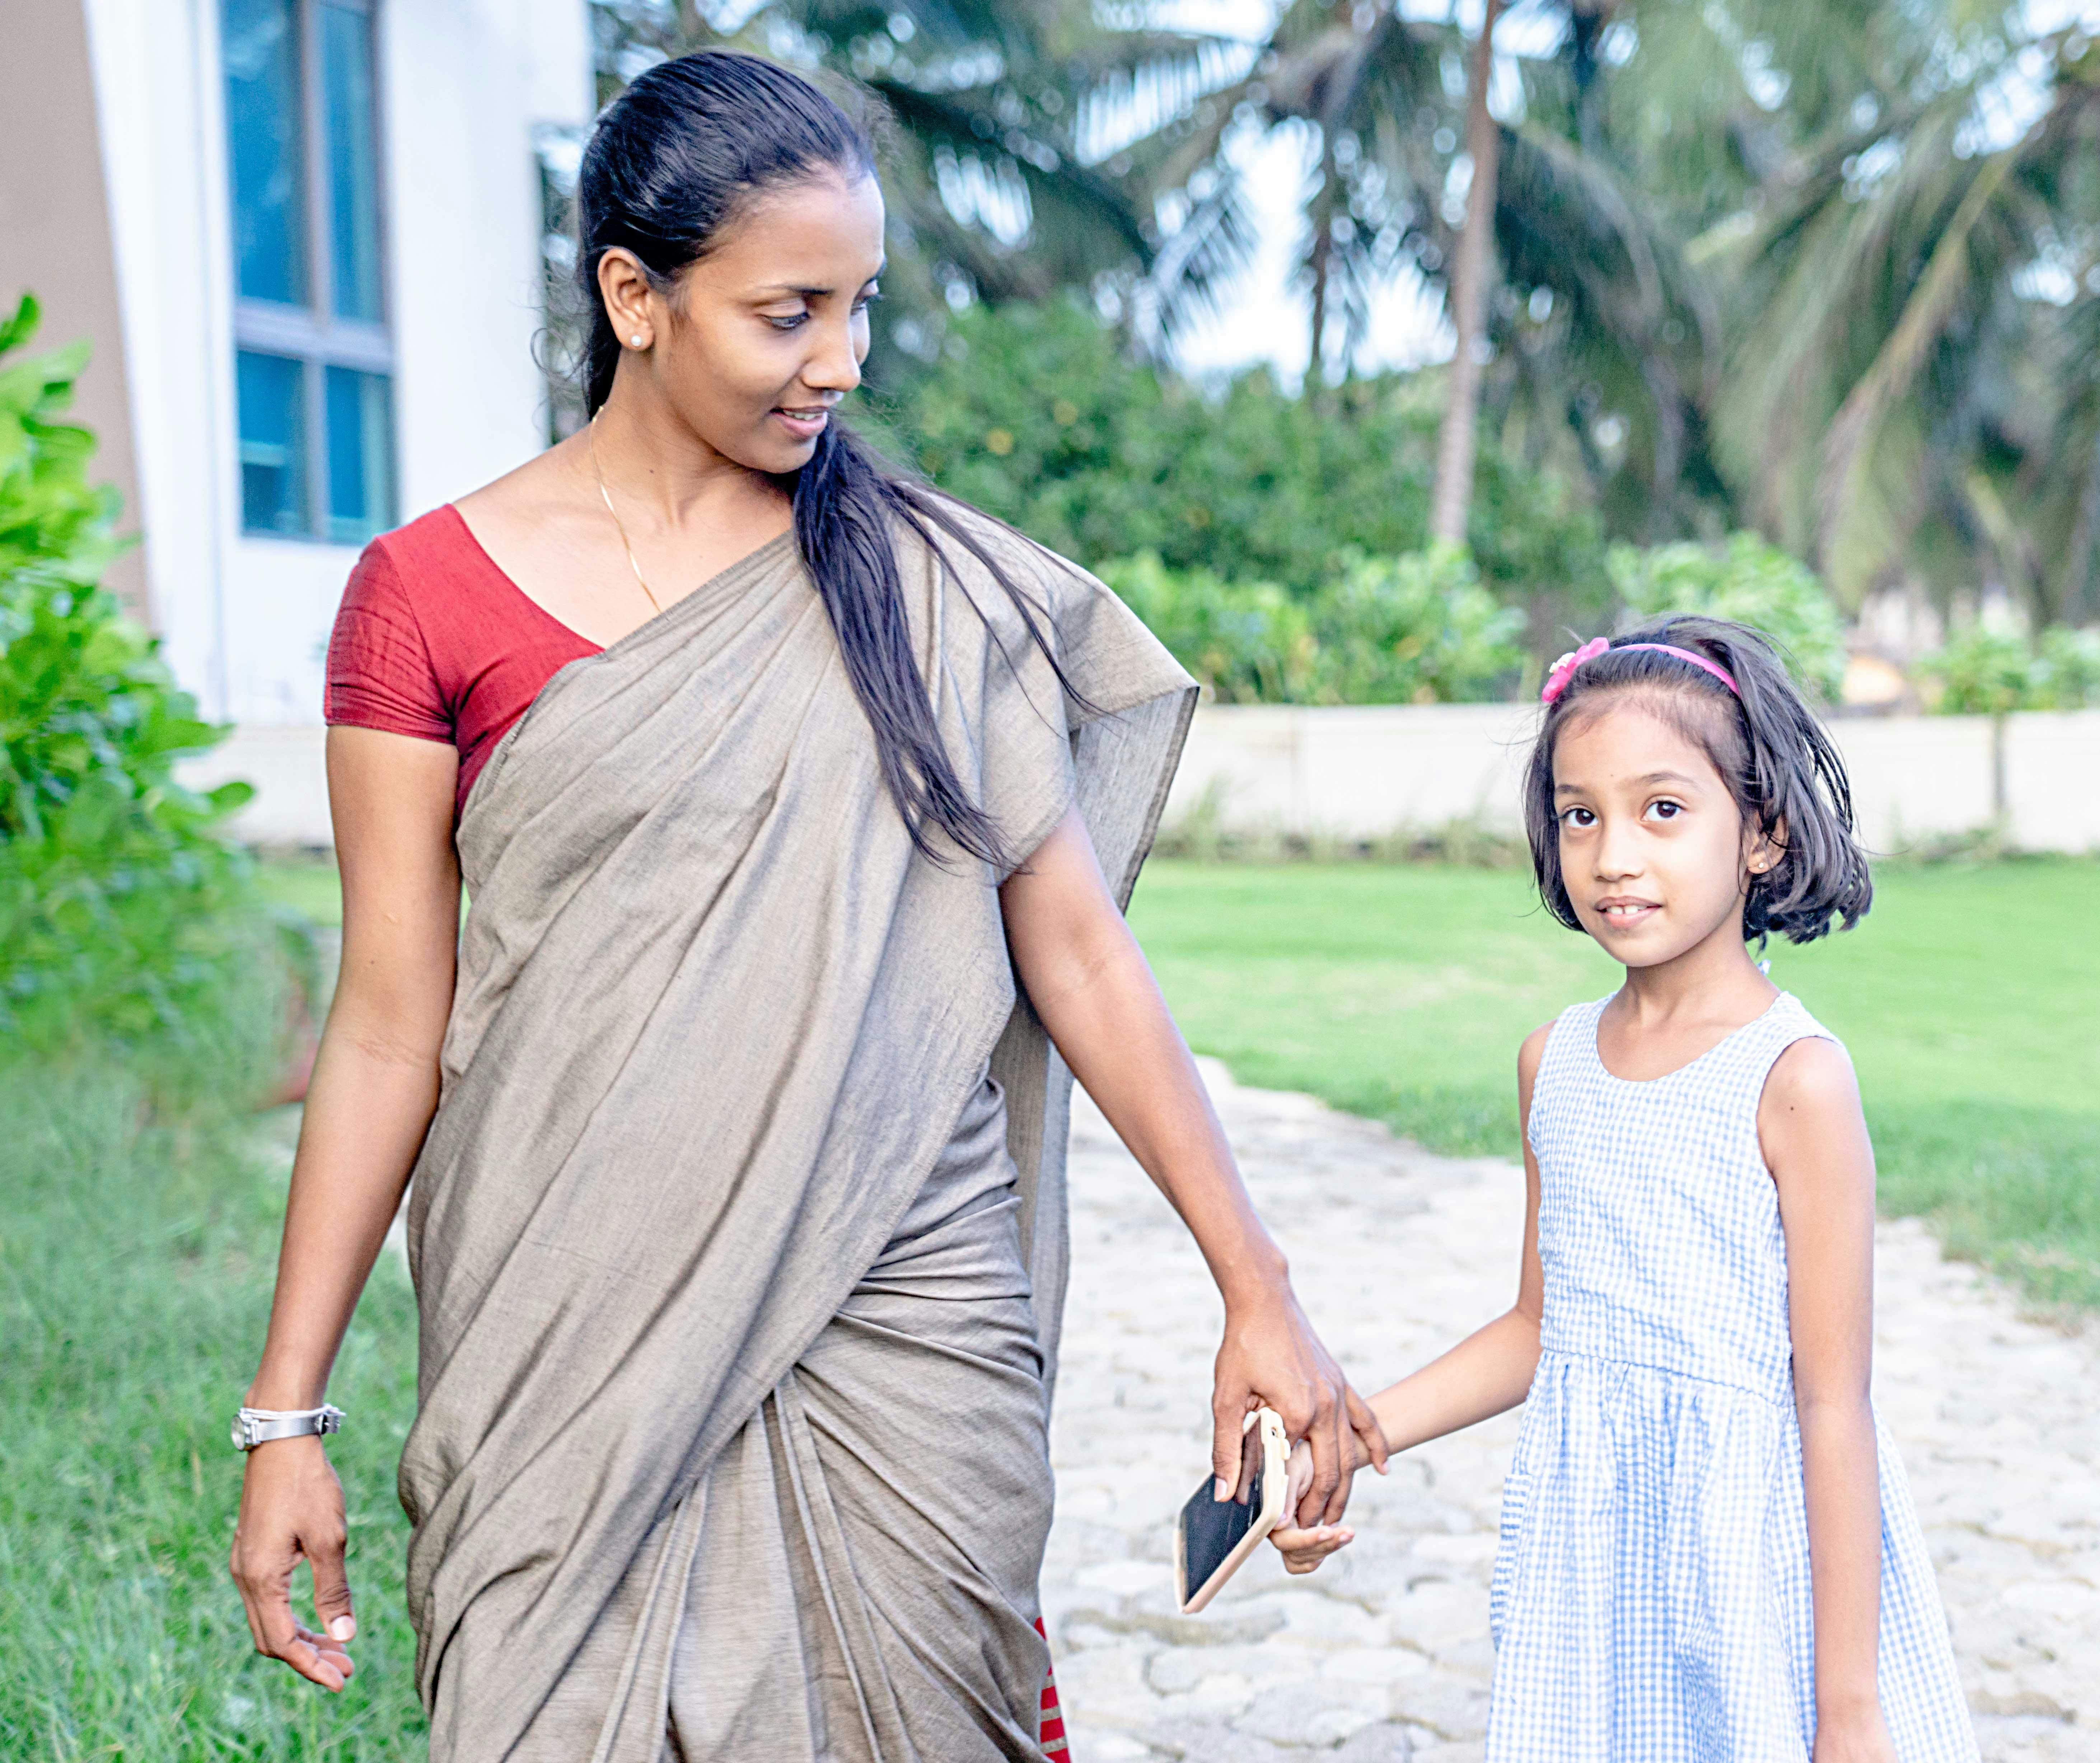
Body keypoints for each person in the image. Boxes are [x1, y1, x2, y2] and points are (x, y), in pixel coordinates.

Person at [227, 49, 1384, 1762]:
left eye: (858, 308)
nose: (838, 362)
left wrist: (1256, 1283)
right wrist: (286, 1416)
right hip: (567, 1320)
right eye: (788, 313)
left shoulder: (925, 582)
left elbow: (1072, 944)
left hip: (902, 1311)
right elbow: (393, 1021)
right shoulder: (422, 598)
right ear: (635, 294)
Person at [1267, 619, 1979, 1762]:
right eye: (1579, 813)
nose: (1613, 855)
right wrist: (1358, 1438)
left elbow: (1833, 1404)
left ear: (1762, 833)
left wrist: (1848, 1708)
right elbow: (1545, 1329)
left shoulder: (1795, 1081)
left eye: (1662, 810)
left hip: (1755, 1574)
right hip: (1593, 1559)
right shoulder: (1553, 1063)